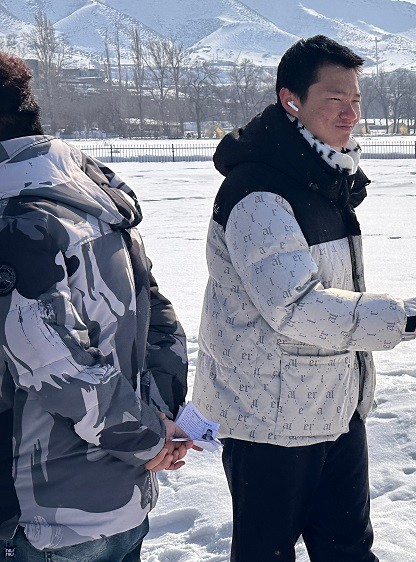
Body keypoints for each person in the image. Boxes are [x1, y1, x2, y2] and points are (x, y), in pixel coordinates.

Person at [190, 36, 416, 561]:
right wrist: (405, 319)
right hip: (269, 420)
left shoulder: (324, 178)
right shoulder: (260, 192)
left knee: (348, 550)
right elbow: (295, 308)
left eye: (356, 99)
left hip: (332, 405)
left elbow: (335, 295)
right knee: (267, 553)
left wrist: (408, 313)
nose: (351, 112)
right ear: (292, 100)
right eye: (336, 98)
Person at [0, 53, 192, 561]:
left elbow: (57, 370)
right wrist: (158, 423)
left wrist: (152, 438)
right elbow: (158, 320)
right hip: (118, 496)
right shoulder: (89, 201)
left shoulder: (16, 221)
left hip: (46, 517)